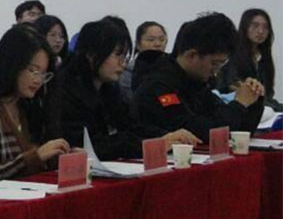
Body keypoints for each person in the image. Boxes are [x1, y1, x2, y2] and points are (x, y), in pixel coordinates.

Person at [60, 20, 200, 160]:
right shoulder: (66, 91)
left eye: (125, 56)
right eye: (117, 54)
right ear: (92, 54)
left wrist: (165, 137)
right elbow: (89, 145)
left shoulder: (109, 89)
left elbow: (131, 124)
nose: (123, 63)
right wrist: (154, 144)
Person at [0, 25, 69, 179]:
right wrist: (35, 157)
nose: (38, 80)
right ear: (11, 65)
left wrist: (61, 155)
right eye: (32, 70)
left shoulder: (26, 106)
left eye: (43, 74)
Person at [133, 13, 265, 142]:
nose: (216, 71)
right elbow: (200, 132)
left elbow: (239, 132)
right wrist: (239, 105)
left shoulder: (196, 83)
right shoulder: (158, 85)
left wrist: (253, 99)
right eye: (214, 63)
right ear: (192, 55)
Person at [217, 9, 280, 111]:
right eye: (255, 26)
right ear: (245, 27)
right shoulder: (232, 54)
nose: (261, 31)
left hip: (262, 105)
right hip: (235, 105)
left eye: (265, 27)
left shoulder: (263, 58)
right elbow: (228, 85)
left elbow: (268, 92)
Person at [119, 22, 168, 104]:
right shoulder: (128, 72)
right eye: (151, 40)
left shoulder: (171, 69)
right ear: (138, 44)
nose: (157, 44)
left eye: (161, 40)